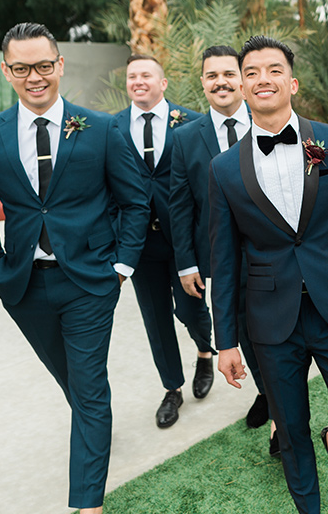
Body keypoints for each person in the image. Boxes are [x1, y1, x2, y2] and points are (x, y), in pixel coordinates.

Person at [0, 22, 149, 513]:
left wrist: (123, 266)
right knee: (71, 380)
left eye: (44, 65)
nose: (35, 77)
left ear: (60, 65)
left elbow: (136, 202)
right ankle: (97, 430)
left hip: (92, 282)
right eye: (22, 68)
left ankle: (87, 505)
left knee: (88, 389)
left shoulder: (102, 128)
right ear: (7, 72)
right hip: (24, 286)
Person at [209, 36, 328, 514]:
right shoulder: (224, 169)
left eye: (273, 69)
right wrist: (225, 340)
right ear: (243, 88)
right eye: (250, 72)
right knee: (290, 430)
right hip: (271, 320)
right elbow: (225, 261)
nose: (262, 79)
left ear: (292, 82)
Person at [169, 45, 276, 450]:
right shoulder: (184, 138)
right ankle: (267, 393)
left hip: (271, 250)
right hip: (218, 256)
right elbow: (179, 205)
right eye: (212, 76)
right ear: (203, 83)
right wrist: (185, 263)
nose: (221, 82)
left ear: (244, 78)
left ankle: (280, 406)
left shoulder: (268, 122)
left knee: (275, 330)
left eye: (229, 74)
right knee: (242, 332)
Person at [113, 53, 216, 430]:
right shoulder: (113, 128)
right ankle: (172, 388)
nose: (138, 81)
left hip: (183, 240)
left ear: (163, 83)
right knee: (155, 318)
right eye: (131, 77)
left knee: (190, 309)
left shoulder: (191, 122)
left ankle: (205, 352)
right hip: (139, 244)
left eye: (145, 75)